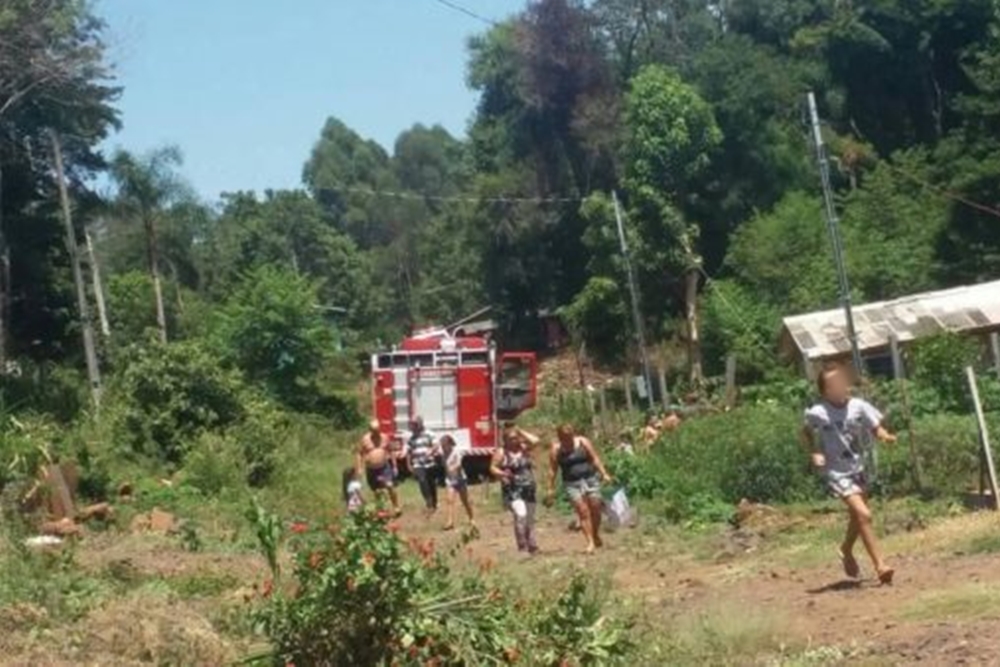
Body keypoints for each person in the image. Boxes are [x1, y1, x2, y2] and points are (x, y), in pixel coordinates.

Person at [802, 365, 897, 585]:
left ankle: (845, 549)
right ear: (824, 391)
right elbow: (806, 432)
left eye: (842, 382)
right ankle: (880, 565)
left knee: (858, 517)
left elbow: (875, 427)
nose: (840, 387)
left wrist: (885, 436)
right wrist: (814, 452)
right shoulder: (818, 412)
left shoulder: (858, 406)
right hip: (836, 472)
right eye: (833, 385)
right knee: (864, 514)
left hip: (858, 468)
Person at [547, 424, 612, 554]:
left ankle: (595, 534)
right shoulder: (556, 449)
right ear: (559, 437)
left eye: (570, 436)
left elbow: (595, 458)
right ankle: (590, 542)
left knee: (595, 507)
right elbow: (552, 470)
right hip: (572, 484)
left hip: (590, 479)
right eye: (564, 437)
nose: (568, 440)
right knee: (583, 512)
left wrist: (604, 473)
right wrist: (550, 487)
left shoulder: (583, 442)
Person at [491, 424, 540, 554]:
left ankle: (532, 545)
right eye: (512, 438)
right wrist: (503, 474)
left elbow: (536, 441)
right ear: (505, 440)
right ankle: (522, 546)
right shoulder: (501, 452)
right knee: (521, 515)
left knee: (529, 518)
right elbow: (493, 467)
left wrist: (520, 431)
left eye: (516, 438)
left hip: (529, 487)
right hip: (513, 489)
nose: (515, 440)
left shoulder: (523, 448)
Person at [356, 419, 401, 516]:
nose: (376, 433)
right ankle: (381, 509)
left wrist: (395, 466)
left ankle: (396, 506)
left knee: (389, 485)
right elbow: (359, 453)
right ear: (370, 430)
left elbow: (391, 451)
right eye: (374, 431)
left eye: (377, 430)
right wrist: (360, 467)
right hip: (371, 469)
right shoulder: (365, 439)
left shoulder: (385, 437)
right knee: (376, 491)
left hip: (384, 467)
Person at [440, 434, 475, 531]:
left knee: (465, 501)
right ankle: (450, 521)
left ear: (449, 444)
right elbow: (445, 467)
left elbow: (459, 463)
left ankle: (471, 518)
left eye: (444, 445)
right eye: (442, 446)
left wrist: (453, 468)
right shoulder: (443, 455)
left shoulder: (456, 452)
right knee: (449, 500)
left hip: (460, 479)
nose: (443, 448)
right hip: (450, 480)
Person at [407, 416, 440, 517]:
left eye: (415, 424)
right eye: (412, 424)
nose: (413, 426)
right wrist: (409, 464)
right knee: (422, 481)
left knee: (431, 483)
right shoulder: (412, 438)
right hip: (418, 464)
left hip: (430, 463)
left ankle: (434, 502)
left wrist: (431, 451)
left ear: (420, 424)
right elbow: (409, 452)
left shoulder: (430, 434)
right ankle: (429, 504)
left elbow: (436, 445)